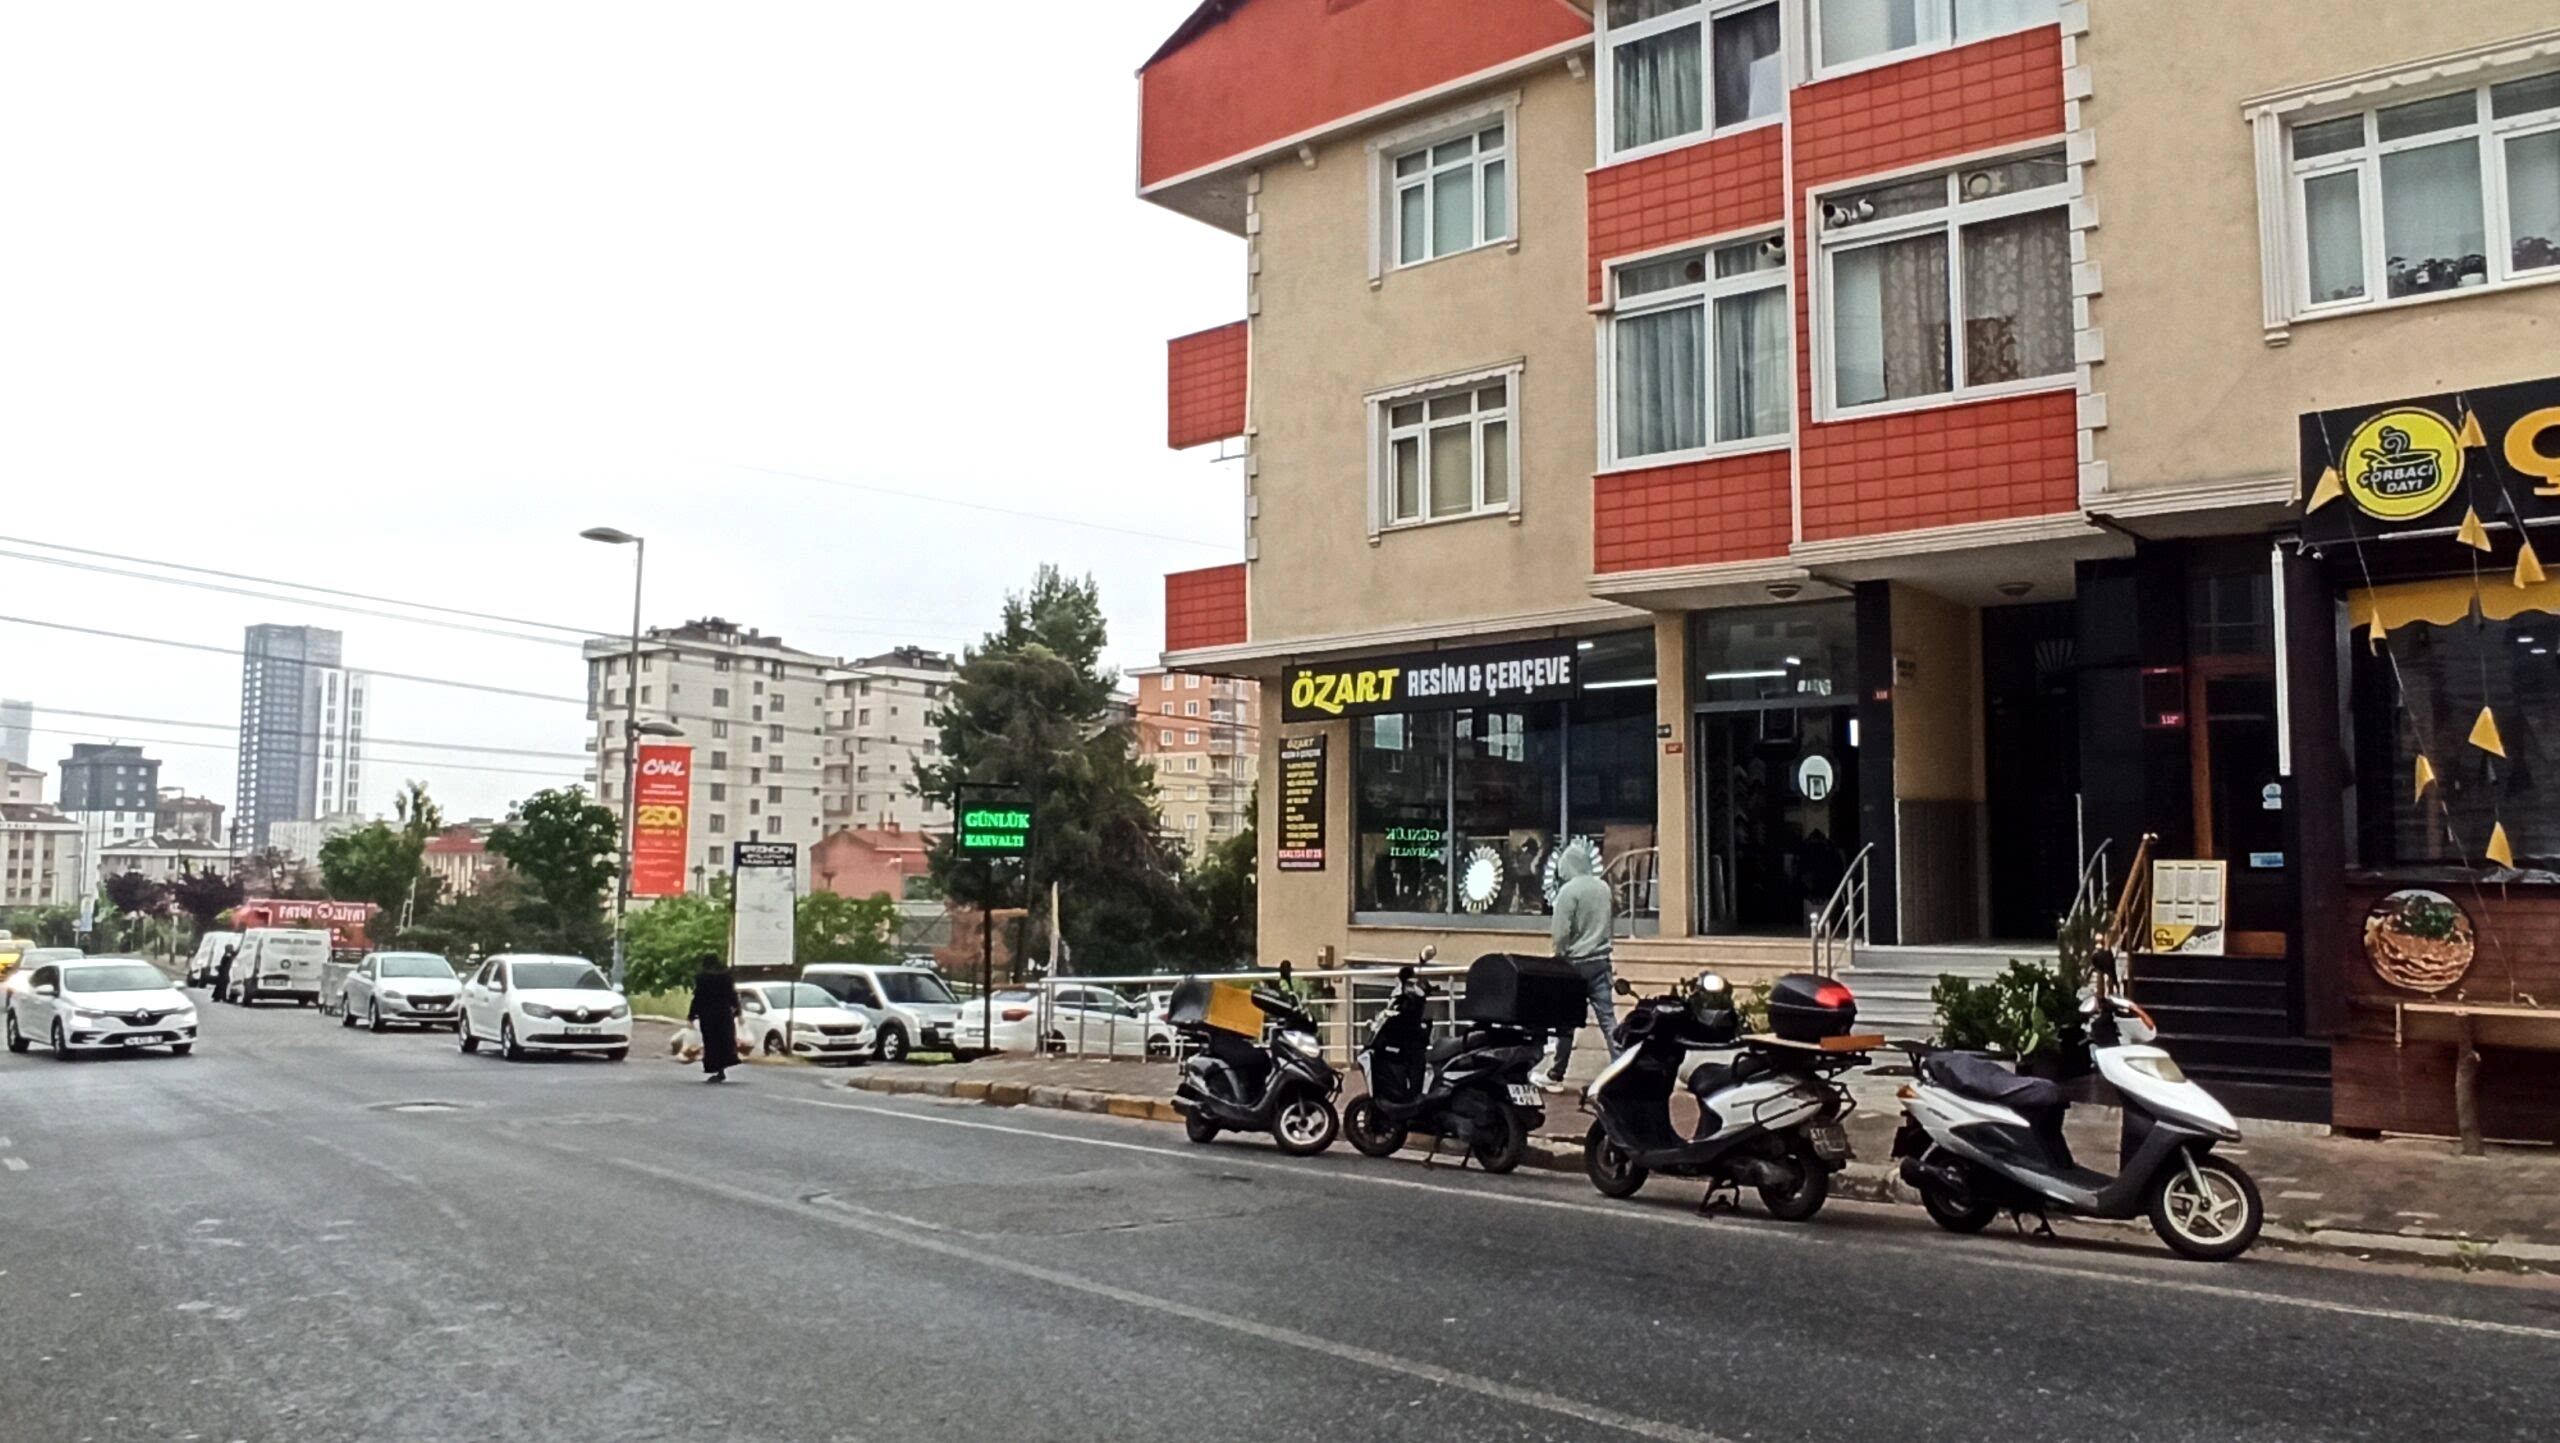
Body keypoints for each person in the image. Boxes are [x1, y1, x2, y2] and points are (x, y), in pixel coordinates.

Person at [1541, 838, 1617, 1092]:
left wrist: (1558, 955)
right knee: (1608, 1019)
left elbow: (1561, 932)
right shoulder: (1603, 888)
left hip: (1574, 965)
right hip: (1601, 960)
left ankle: (1556, 1073)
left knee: (1566, 1021)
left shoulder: (1568, 892)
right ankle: (1620, 1066)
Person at [686, 954, 741, 1083]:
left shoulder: (702, 978)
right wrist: (738, 1010)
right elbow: (732, 994)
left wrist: (691, 1015)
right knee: (724, 1039)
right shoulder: (726, 976)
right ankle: (722, 1068)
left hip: (708, 1014)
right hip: (724, 1013)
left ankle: (715, 1066)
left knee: (711, 1041)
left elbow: (698, 997)